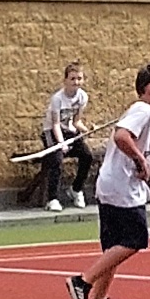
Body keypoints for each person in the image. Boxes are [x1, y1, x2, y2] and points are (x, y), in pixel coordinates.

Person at [67, 60, 150, 299]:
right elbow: (121, 136)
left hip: (113, 184)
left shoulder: (140, 111)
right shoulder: (143, 110)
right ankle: (83, 281)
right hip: (121, 187)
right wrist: (140, 160)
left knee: (114, 246)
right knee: (134, 240)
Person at [35, 62, 95, 209]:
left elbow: (76, 121)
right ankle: (52, 199)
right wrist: (61, 143)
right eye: (72, 78)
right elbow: (55, 124)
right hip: (52, 131)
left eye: (79, 78)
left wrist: (87, 130)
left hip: (68, 131)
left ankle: (76, 189)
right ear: (65, 80)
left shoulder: (82, 97)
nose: (76, 82)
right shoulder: (57, 99)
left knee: (87, 156)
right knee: (56, 159)